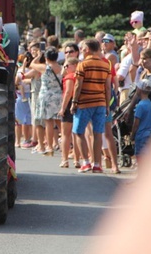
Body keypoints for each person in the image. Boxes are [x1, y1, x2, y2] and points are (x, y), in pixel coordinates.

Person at [71, 38, 112, 173]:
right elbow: (107, 87)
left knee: (78, 131)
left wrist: (74, 102)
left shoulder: (83, 64)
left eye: (83, 49)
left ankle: (86, 162)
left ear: (88, 49)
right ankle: (97, 164)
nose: (81, 51)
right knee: (98, 133)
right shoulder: (106, 65)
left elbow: (78, 85)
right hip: (100, 103)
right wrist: (107, 105)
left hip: (84, 103)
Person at [30, 47, 63, 156]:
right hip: (58, 96)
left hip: (46, 95)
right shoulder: (62, 68)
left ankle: (49, 146)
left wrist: (38, 56)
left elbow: (32, 64)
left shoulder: (45, 68)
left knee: (48, 122)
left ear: (46, 57)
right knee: (59, 122)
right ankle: (69, 144)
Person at [130, 78, 151, 167]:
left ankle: (141, 174)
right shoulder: (149, 103)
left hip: (141, 134)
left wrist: (132, 135)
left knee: (140, 155)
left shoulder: (140, 105)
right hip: (150, 133)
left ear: (139, 90)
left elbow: (136, 123)